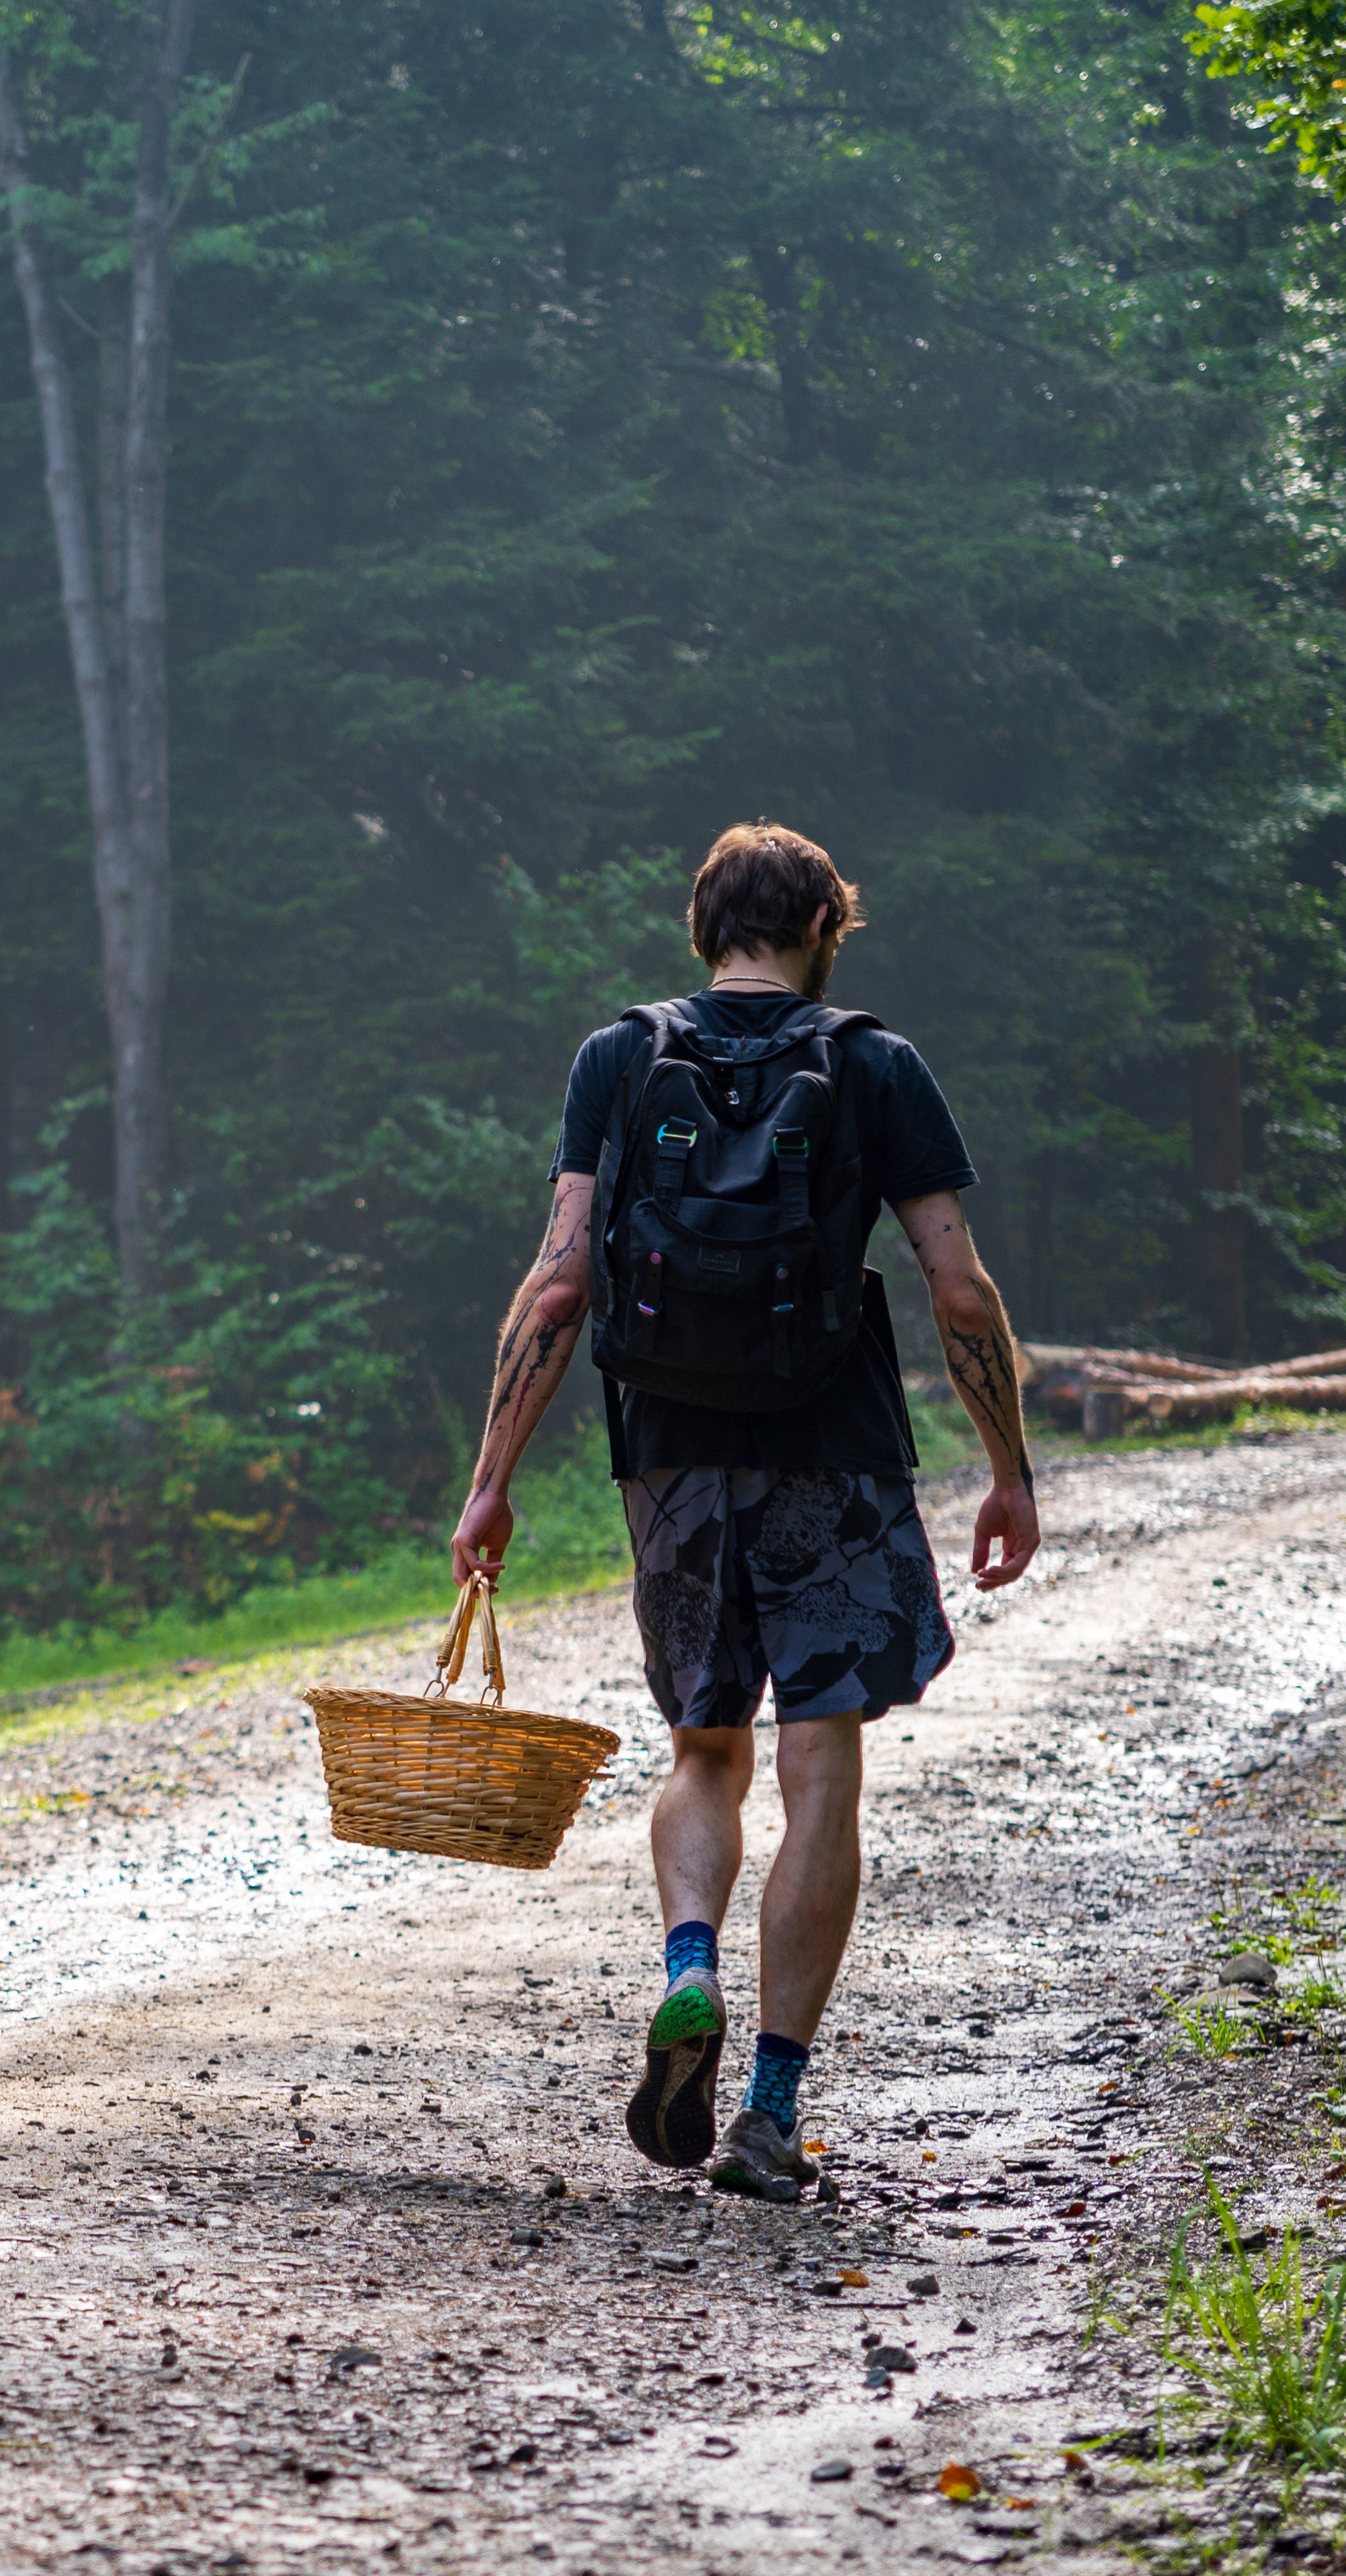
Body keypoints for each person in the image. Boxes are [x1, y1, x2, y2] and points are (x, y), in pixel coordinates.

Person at [444, 821, 1038, 2204]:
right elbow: (960, 1288)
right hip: (834, 1453)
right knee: (820, 1767)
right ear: (826, 927)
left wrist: (491, 1480)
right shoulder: (875, 1062)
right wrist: (1008, 1464)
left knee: (705, 1751)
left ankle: (689, 1965)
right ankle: (769, 2110)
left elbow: (555, 1286)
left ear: (703, 928)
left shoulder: (619, 1055)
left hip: (670, 1455)